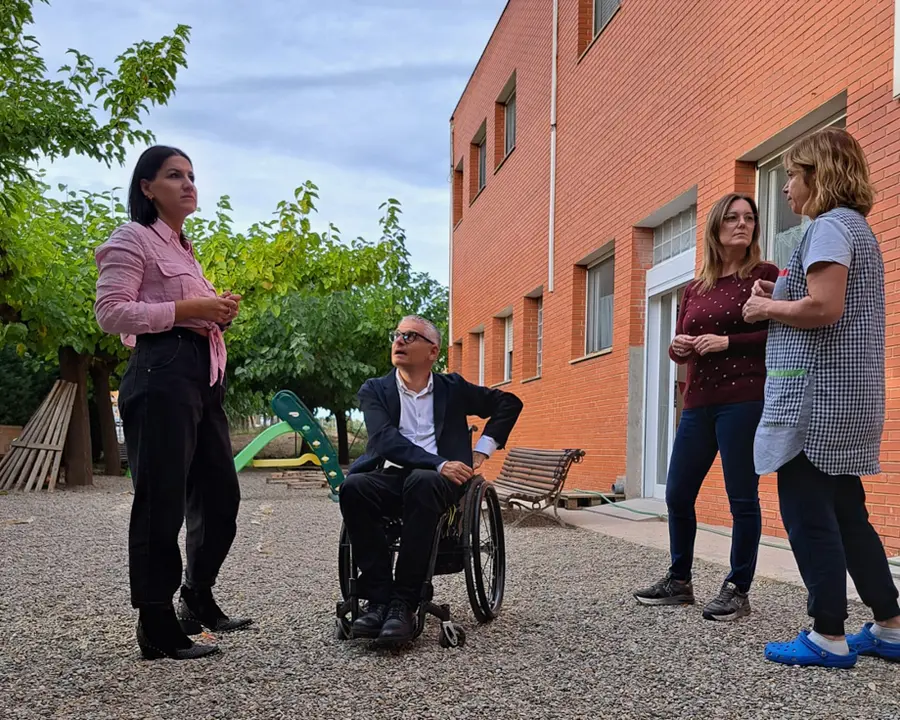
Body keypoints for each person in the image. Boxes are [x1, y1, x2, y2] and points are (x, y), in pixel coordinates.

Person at [742, 127, 900, 668]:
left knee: (809, 514)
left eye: (792, 174)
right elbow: (819, 297)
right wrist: (778, 291)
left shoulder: (830, 227)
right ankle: (890, 625)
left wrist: (765, 309)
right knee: (848, 513)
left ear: (818, 176)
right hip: (845, 400)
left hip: (817, 404)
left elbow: (824, 308)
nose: (786, 187)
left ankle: (827, 634)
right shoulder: (855, 228)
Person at [94, 145, 251, 661]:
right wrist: (191, 307)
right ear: (147, 187)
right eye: (174, 175)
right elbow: (112, 314)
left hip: (202, 378)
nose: (188, 184)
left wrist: (215, 312)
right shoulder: (131, 238)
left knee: (220, 497)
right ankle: (156, 622)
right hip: (161, 374)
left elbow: (188, 311)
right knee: (160, 501)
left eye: (191, 175)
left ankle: (196, 595)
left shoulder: (185, 250)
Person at [633, 193, 779, 621]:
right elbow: (681, 347)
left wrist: (729, 341)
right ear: (716, 227)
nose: (742, 224)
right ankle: (680, 581)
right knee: (678, 492)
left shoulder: (765, 276)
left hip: (744, 399)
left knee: (741, 497)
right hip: (698, 401)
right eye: (732, 218)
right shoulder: (696, 287)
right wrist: (677, 347)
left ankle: (738, 588)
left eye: (749, 218)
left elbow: (783, 332)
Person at [340, 315, 523, 646]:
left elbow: (509, 403)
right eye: (397, 334)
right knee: (353, 487)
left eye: (410, 336)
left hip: (436, 484)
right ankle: (378, 600)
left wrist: (482, 450)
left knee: (422, 482)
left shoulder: (452, 388)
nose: (399, 340)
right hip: (393, 475)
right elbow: (383, 440)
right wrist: (439, 463)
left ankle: (404, 604)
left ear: (433, 351)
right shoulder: (375, 389)